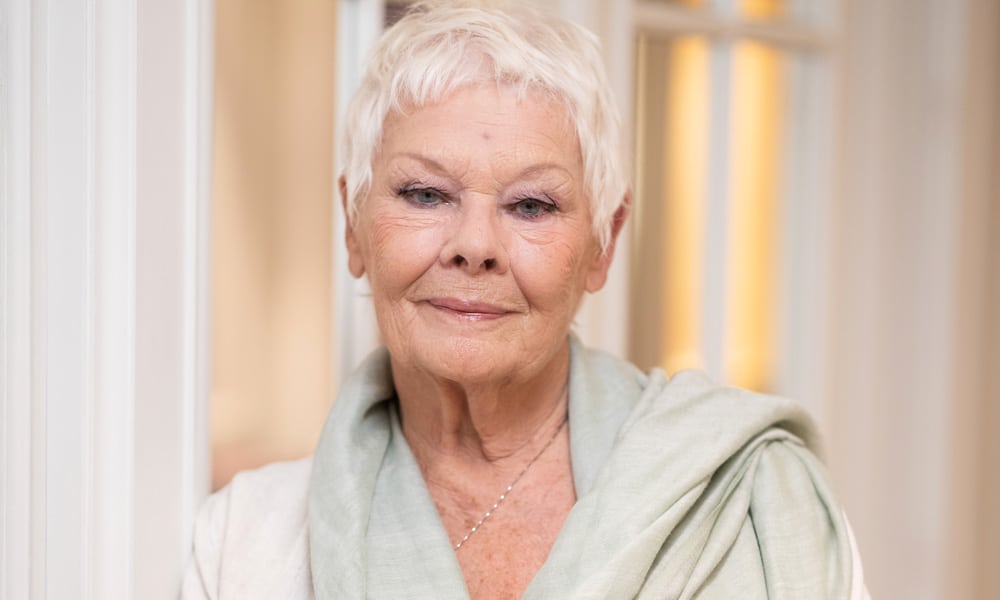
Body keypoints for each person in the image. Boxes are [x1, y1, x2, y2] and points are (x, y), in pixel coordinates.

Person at [182, 1, 867, 598]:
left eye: (532, 205)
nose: (474, 245)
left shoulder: (753, 498)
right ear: (353, 224)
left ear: (602, 244)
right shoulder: (246, 539)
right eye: (425, 194)